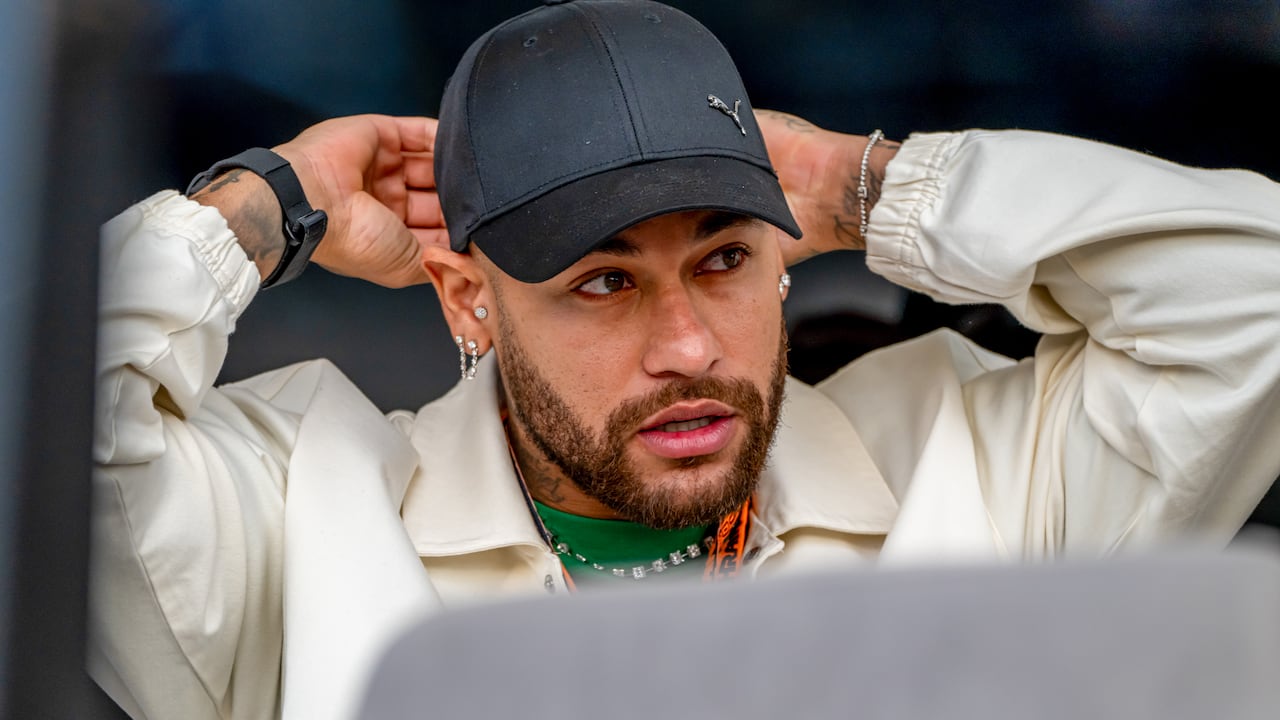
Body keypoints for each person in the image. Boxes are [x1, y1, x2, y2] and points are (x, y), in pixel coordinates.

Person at [90, 1, 1280, 718]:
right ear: (470, 302)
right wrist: (269, 202)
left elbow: (1252, 298)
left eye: (720, 261)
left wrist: (857, 184)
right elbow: (46, 428)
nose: (689, 349)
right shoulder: (298, 521)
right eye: (601, 283)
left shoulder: (973, 465)